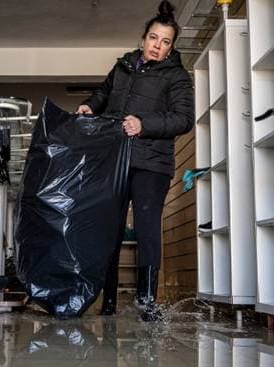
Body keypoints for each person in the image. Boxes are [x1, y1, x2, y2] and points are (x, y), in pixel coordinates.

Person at [76, 0, 194, 321]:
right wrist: (90, 105)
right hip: (116, 157)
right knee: (110, 229)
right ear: (143, 38)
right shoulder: (124, 66)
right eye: (154, 38)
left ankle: (146, 303)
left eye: (165, 41)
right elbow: (103, 93)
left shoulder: (177, 77)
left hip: (152, 162)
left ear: (170, 49)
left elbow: (184, 119)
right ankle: (109, 300)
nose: (158, 46)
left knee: (146, 228)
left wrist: (144, 124)